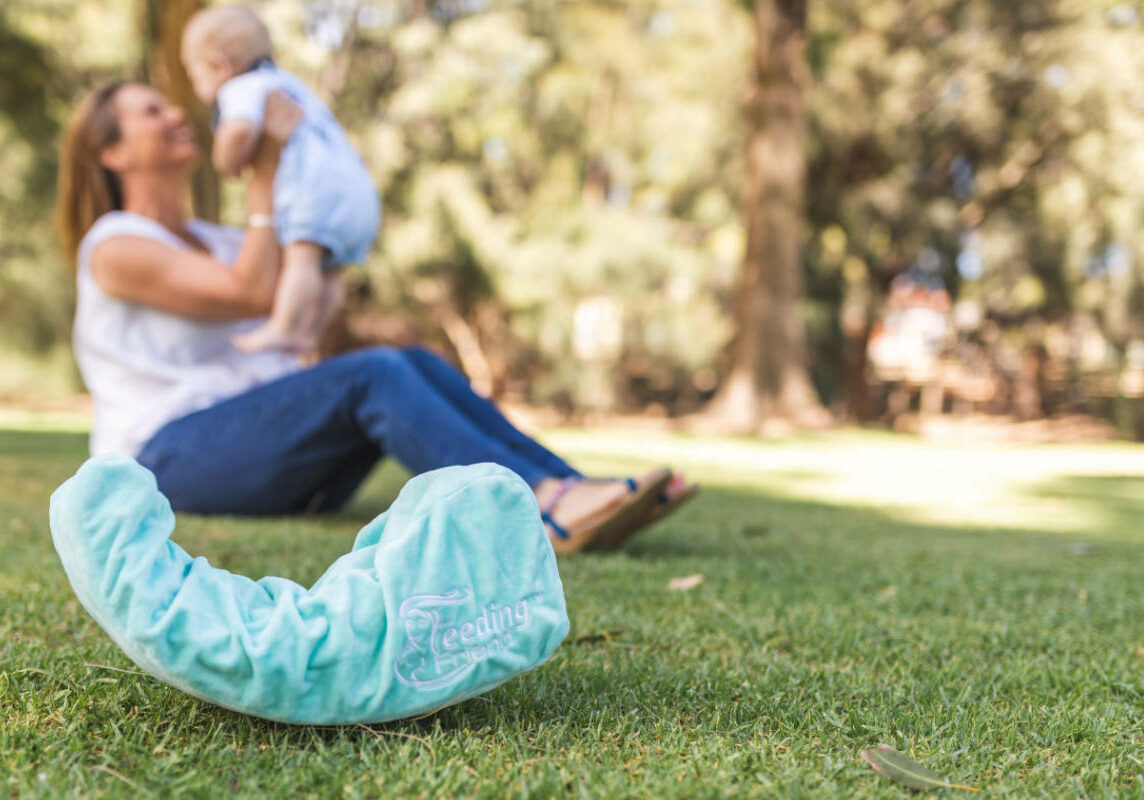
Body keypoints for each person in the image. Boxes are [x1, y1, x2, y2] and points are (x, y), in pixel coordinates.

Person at [56, 81, 696, 554]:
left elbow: (301, 319)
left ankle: (571, 485)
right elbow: (252, 294)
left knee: (411, 362)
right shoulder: (114, 246)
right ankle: (540, 505)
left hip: (264, 458)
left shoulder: (220, 239)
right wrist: (267, 170)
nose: (177, 113)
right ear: (111, 153)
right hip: (168, 460)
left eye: (168, 103)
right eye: (151, 110)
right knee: (372, 375)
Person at [181, 4, 380, 354]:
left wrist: (225, 160)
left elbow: (240, 130)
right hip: (358, 192)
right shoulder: (290, 84)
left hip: (316, 192)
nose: (196, 86)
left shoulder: (241, 87)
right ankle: (310, 334)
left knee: (302, 259)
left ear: (219, 66)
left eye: (195, 75)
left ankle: (285, 328)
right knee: (329, 271)